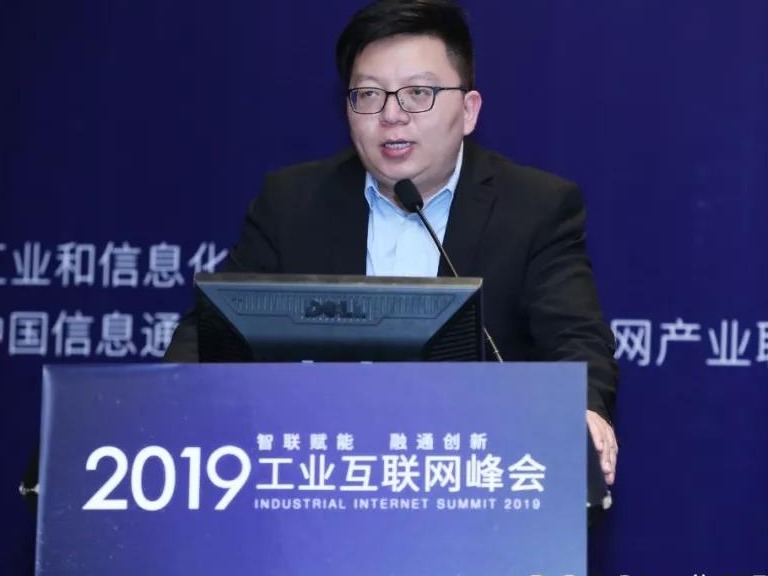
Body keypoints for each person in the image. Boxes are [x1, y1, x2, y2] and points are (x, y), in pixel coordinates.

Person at [164, 0, 619, 487]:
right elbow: (215, 329)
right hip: (320, 474)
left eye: (418, 93)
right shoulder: (292, 202)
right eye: (368, 94)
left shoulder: (534, 207)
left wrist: (583, 410)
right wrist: (166, 403)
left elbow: (575, 339)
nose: (391, 115)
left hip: (467, 477)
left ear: (468, 110)